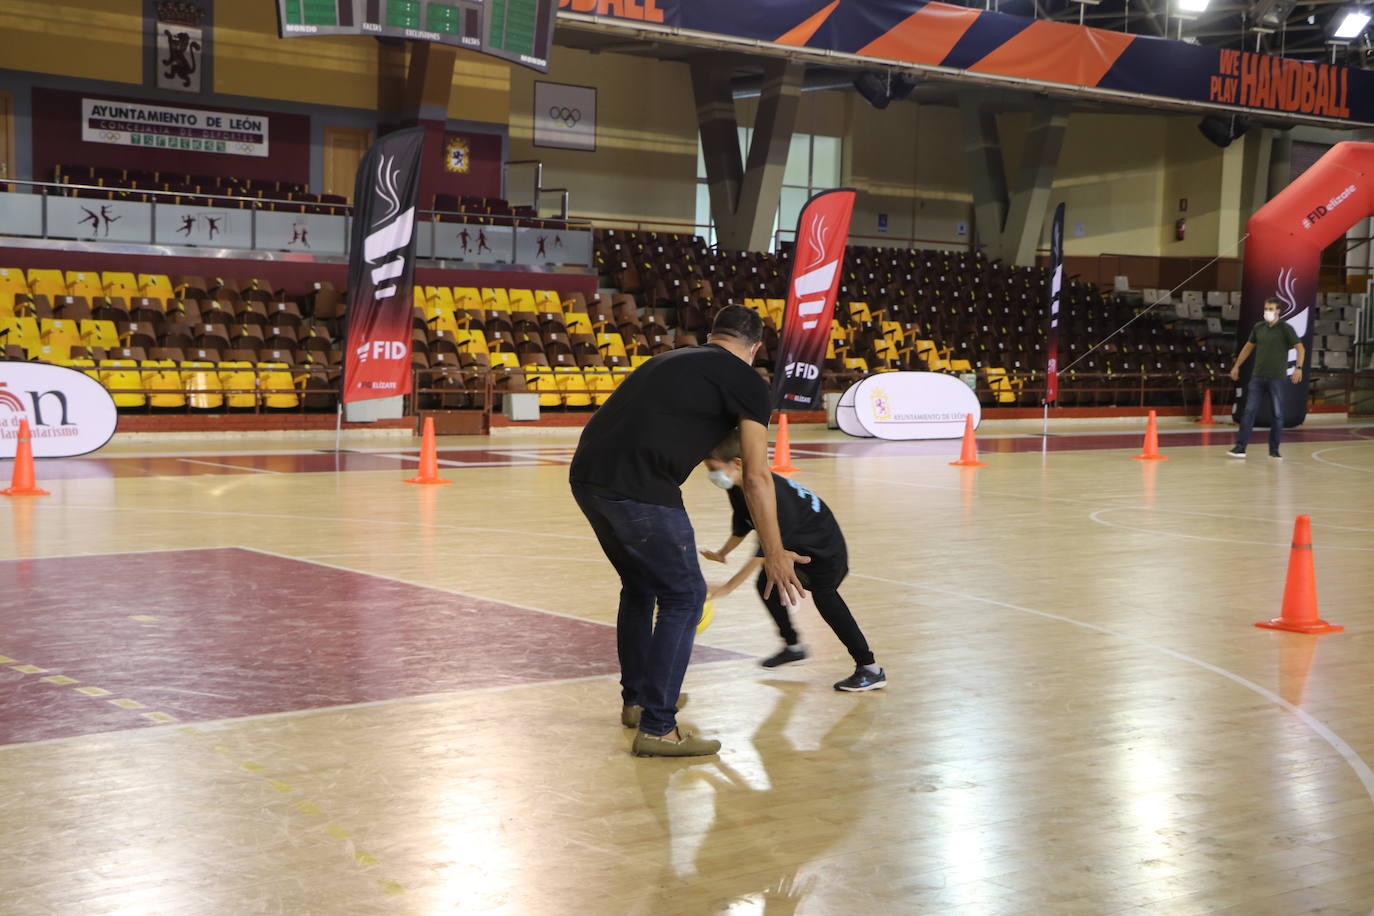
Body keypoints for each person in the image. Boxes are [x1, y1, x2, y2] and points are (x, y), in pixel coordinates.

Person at [569, 305, 808, 758]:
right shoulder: (749, 381)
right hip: (640, 488)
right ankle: (659, 727)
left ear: (712, 335)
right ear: (755, 348)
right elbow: (757, 476)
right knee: (684, 596)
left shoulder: (668, 359)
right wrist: (774, 550)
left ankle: (639, 702)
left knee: (640, 588)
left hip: (587, 478)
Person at [700, 429, 886, 693]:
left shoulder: (771, 495)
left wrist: (727, 588)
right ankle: (793, 646)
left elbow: (764, 552)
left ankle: (870, 668)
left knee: (826, 599)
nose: (710, 475)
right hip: (797, 542)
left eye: (713, 468)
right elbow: (743, 523)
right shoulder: (740, 486)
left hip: (822, 549)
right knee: (766, 586)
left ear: (738, 463)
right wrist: (723, 553)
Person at [1228, 297, 1304, 460]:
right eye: (1266, 309)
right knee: (1248, 412)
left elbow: (1300, 348)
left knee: (1277, 414)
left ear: (1278, 311)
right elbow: (1248, 347)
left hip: (1276, 378)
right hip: (1257, 377)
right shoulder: (1258, 327)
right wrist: (1237, 365)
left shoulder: (1285, 328)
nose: (1267, 312)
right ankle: (1240, 447)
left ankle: (1274, 450)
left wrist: (1298, 368)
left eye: (1271, 309)